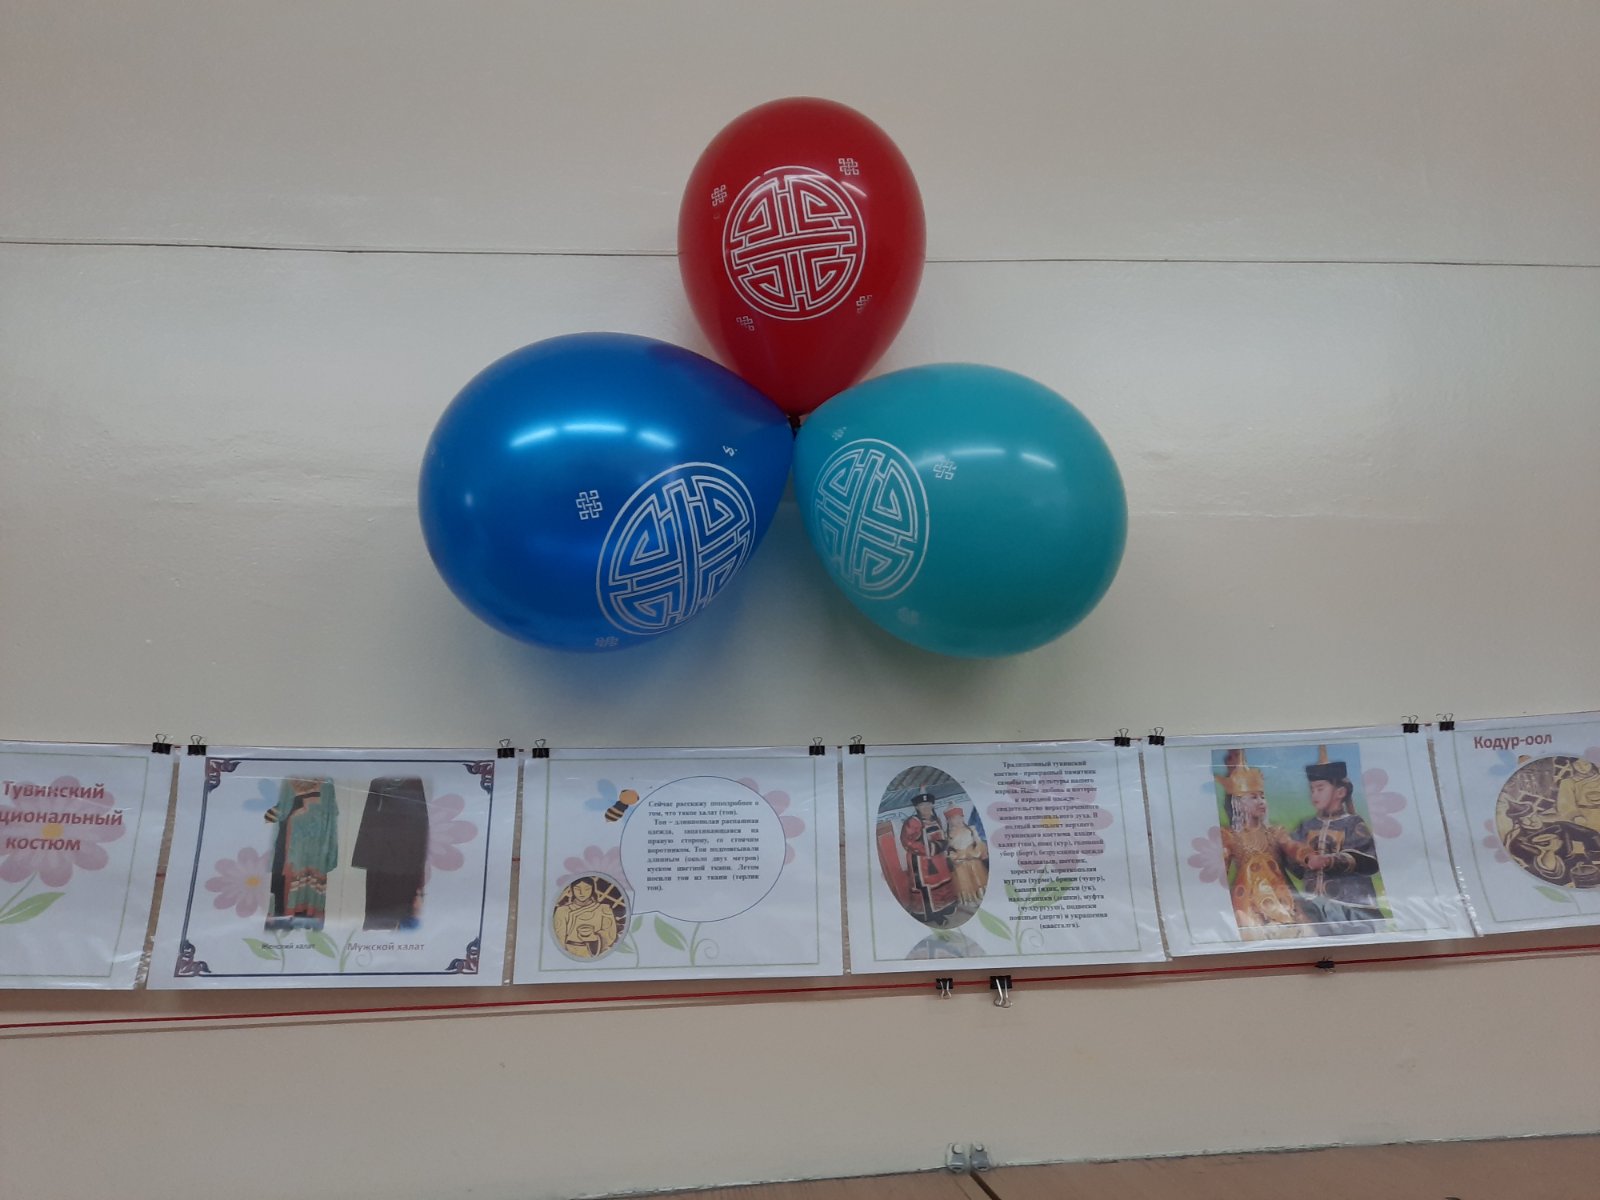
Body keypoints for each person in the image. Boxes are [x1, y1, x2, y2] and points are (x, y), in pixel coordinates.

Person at [1215, 751, 1310, 938]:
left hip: (1282, 896)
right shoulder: (1230, 836)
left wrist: (1306, 855)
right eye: (1253, 797)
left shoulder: (1274, 832)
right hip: (1248, 901)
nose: (1261, 802)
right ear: (1239, 803)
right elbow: (1220, 869)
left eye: (1262, 796)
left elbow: (1291, 846)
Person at [1289, 748, 1384, 932]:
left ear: (1340, 792)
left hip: (1350, 906)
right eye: (1312, 789)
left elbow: (1368, 860)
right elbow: (1292, 857)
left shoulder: (1353, 823)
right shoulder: (1306, 826)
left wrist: (1330, 860)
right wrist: (1303, 858)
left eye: (1320, 788)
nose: (1314, 795)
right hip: (1313, 906)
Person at [899, 792, 958, 925]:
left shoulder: (936, 819)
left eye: (928, 804)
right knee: (928, 888)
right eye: (922, 805)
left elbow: (941, 837)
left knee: (943, 883)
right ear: (917, 807)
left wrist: (946, 846)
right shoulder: (913, 822)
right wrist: (934, 847)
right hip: (922, 863)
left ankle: (945, 908)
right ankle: (933, 915)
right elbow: (907, 842)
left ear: (932, 805)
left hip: (939, 860)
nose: (926, 808)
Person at [553, 877, 619, 959]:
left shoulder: (603, 909)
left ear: (593, 890)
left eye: (587, 889)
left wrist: (594, 937)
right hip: (570, 951)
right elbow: (559, 938)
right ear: (572, 890)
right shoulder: (562, 910)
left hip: (595, 952)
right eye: (577, 889)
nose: (582, 893)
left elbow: (610, 935)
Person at [944, 806, 989, 908]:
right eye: (954, 818)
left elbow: (979, 842)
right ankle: (970, 899)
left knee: (977, 878)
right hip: (960, 863)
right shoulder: (947, 834)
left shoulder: (971, 829)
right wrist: (954, 857)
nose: (958, 820)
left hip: (973, 860)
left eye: (960, 817)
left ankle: (981, 896)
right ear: (948, 821)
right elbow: (948, 850)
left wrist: (975, 852)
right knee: (964, 881)